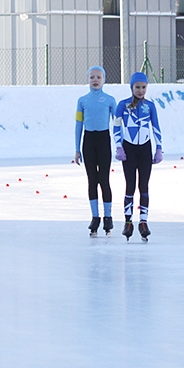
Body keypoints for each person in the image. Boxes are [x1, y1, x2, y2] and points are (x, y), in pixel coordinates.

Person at [113, 71, 163, 241]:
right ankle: (128, 221)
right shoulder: (122, 105)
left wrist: (158, 148)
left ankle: (143, 221)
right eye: (137, 87)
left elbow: (156, 127)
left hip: (144, 149)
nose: (141, 90)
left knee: (144, 185)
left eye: (143, 87)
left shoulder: (150, 106)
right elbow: (116, 127)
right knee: (130, 185)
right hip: (129, 149)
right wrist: (119, 147)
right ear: (131, 87)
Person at [74, 65, 117, 236]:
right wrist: (77, 149)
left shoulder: (109, 100)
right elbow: (78, 125)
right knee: (92, 180)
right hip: (89, 141)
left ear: (104, 79)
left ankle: (108, 216)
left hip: (104, 140)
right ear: (87, 79)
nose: (95, 80)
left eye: (99, 77)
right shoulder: (82, 101)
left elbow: (118, 123)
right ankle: (95, 217)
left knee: (104, 180)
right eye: (92, 77)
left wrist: (120, 144)